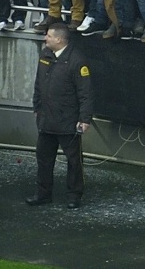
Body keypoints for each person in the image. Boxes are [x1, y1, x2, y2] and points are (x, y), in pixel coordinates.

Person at [27, 20, 94, 209]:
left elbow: (86, 93)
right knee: (43, 158)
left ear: (58, 39)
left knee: (74, 161)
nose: (45, 38)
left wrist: (84, 119)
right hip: (46, 119)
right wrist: (36, 107)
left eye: (48, 35)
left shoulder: (77, 60)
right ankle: (43, 193)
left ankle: (74, 195)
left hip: (68, 121)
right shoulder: (45, 54)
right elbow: (38, 84)